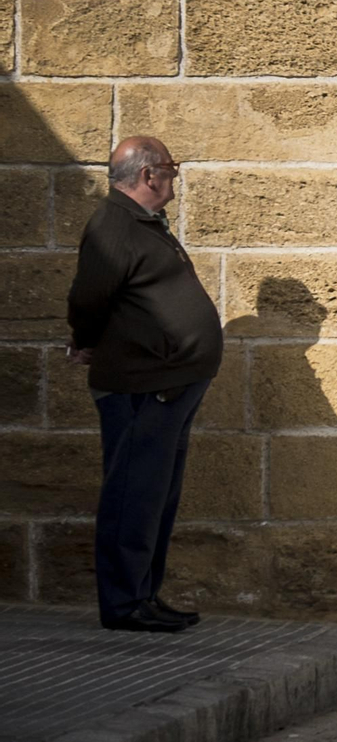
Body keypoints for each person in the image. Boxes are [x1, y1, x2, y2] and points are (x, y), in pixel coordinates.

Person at [67, 136, 223, 633]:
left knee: (157, 495)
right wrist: (85, 341)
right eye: (171, 170)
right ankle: (123, 604)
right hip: (142, 386)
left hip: (172, 383)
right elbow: (88, 297)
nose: (175, 178)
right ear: (149, 175)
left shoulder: (143, 224)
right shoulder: (113, 224)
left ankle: (144, 594)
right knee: (133, 495)